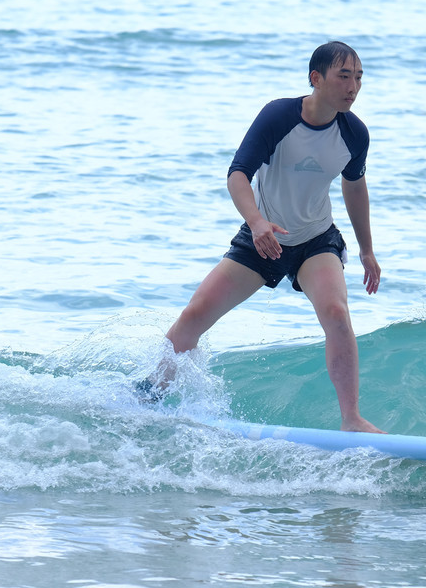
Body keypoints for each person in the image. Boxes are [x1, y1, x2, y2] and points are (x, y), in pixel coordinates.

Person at [150, 41, 384, 433]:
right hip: (264, 237)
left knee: (337, 314)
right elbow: (238, 172)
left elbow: (354, 186)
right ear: (316, 78)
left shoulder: (354, 133)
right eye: (344, 76)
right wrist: (257, 222)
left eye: (359, 77)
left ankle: (351, 419)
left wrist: (367, 250)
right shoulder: (279, 116)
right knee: (194, 315)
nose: (353, 86)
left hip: (316, 240)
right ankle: (149, 395)